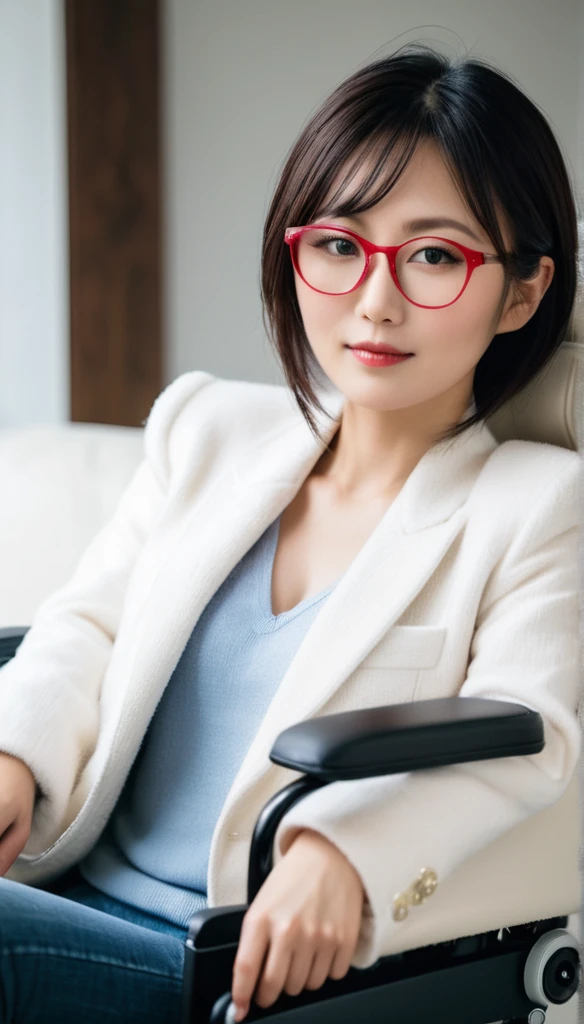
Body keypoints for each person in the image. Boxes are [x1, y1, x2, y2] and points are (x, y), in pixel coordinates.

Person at [0, 40, 580, 1024]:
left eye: (433, 255)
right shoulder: (208, 430)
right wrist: (14, 755)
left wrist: (345, 852)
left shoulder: (536, 503)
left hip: (216, 955)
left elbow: (530, 736)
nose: (374, 299)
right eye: (339, 244)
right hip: (59, 883)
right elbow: (85, 626)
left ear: (520, 291)